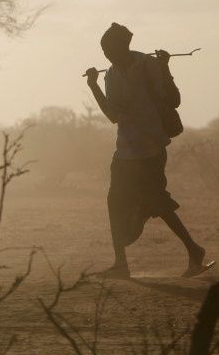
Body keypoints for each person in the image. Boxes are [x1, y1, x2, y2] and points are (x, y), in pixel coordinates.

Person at [84, 22, 211, 279]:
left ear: (124, 46)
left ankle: (193, 251)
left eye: (110, 49)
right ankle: (122, 263)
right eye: (104, 51)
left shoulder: (148, 65)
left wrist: (165, 68)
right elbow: (113, 116)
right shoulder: (111, 74)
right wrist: (94, 86)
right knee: (116, 202)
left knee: (157, 202)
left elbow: (173, 100)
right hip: (126, 150)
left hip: (150, 148)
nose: (107, 55)